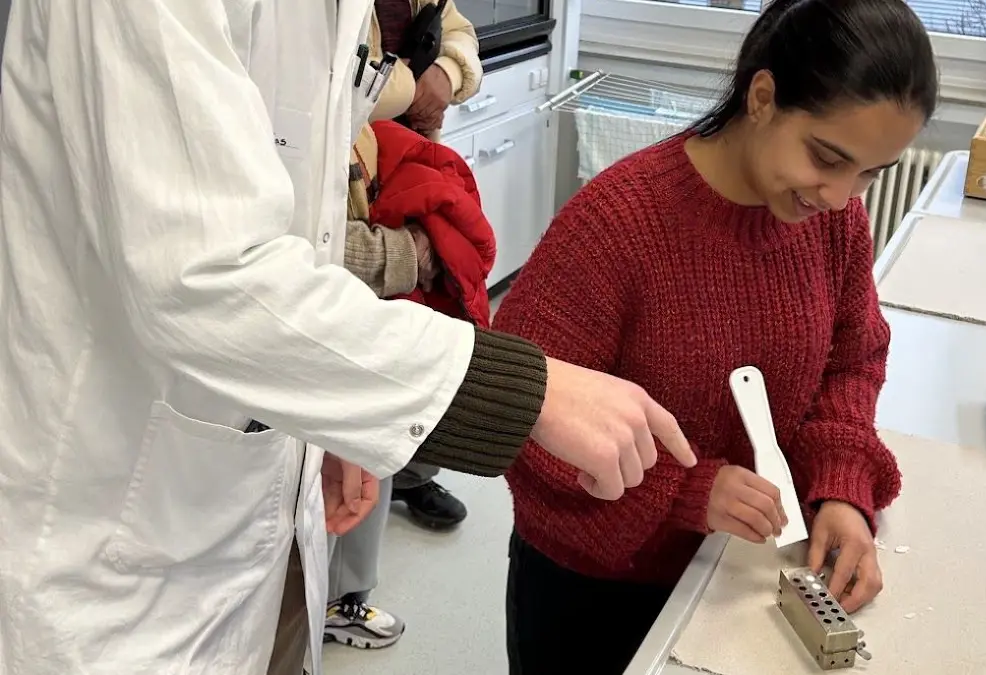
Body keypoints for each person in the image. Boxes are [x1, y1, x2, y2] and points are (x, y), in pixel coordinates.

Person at [0, 2, 696, 675]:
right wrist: (527, 392)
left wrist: (323, 410)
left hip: (251, 499)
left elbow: (302, 219)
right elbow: (203, 274)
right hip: (112, 548)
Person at [493, 0, 939, 672]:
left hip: (736, 572)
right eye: (828, 157)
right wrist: (682, 488)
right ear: (762, 96)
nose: (844, 195)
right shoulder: (617, 224)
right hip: (594, 591)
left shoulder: (831, 223)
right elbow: (524, 416)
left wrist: (843, 487)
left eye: (870, 173)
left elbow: (852, 359)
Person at [324, 0, 482, 651]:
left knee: (371, 416)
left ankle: (348, 588)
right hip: (350, 226)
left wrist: (444, 71)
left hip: (374, 192)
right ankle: (336, 592)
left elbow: (460, 34)